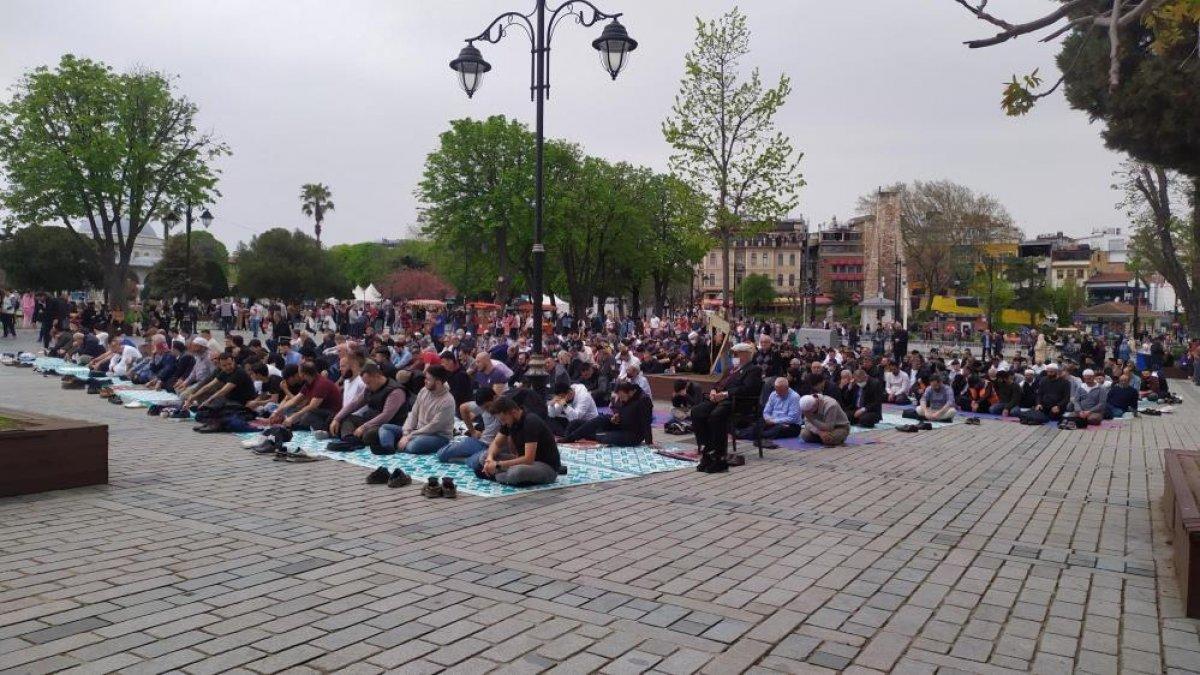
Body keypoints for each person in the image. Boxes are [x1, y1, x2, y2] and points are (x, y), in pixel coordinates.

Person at [690, 343, 764, 473]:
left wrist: (725, 394)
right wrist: (713, 390)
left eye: (736, 354)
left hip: (738, 402)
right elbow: (718, 383)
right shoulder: (731, 369)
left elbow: (747, 389)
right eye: (733, 354)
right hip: (721, 399)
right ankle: (708, 448)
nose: (733, 356)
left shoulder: (753, 369)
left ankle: (719, 457)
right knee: (697, 412)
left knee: (716, 416)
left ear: (746, 355)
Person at [470, 396, 562, 487]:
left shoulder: (530, 422)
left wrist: (498, 465)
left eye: (503, 419)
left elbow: (528, 459)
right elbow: (496, 443)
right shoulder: (508, 421)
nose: (503, 423)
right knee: (484, 457)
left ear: (513, 412)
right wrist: (490, 459)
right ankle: (500, 474)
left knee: (516, 472)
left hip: (545, 466)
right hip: (524, 460)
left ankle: (496, 475)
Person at [329, 362, 407, 449]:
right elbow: (355, 403)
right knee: (346, 418)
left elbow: (386, 416)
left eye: (369, 383)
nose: (367, 386)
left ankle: (353, 440)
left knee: (369, 435)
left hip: (388, 425)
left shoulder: (395, 391)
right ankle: (349, 440)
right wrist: (337, 418)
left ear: (377, 376)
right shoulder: (369, 388)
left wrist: (364, 427)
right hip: (370, 420)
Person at [381, 364, 455, 454]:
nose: (425, 381)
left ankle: (395, 443)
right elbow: (413, 413)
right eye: (425, 378)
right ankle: (389, 448)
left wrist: (410, 436)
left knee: (414, 446)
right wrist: (406, 432)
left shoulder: (448, 401)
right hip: (417, 432)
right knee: (385, 427)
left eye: (428, 379)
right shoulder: (424, 391)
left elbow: (433, 427)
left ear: (438, 382)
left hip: (437, 436)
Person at [563, 381, 652, 446]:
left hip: (632, 434)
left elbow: (646, 422)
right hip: (620, 424)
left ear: (631, 392)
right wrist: (617, 416)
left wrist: (649, 442)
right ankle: (571, 437)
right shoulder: (627, 396)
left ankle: (587, 433)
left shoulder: (644, 400)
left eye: (622, 397)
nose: (621, 400)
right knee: (601, 419)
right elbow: (623, 410)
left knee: (605, 437)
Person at [271, 362, 343, 431]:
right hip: (320, 411)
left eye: (299, 372)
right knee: (289, 409)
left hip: (332, 413)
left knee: (307, 414)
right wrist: (277, 412)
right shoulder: (309, 383)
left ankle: (322, 430)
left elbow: (312, 406)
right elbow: (294, 400)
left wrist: (293, 417)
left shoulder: (321, 384)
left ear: (303, 374)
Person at [437, 387, 501, 463]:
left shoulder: (505, 408)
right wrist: (473, 431)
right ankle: (469, 458)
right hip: (481, 443)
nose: (487, 409)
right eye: (484, 408)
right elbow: (463, 408)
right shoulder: (483, 406)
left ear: (495, 398)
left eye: (488, 406)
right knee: (442, 454)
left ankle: (467, 460)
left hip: (494, 447)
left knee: (481, 461)